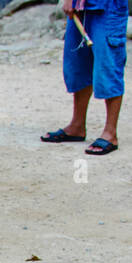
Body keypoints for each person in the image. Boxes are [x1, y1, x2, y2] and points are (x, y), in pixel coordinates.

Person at [40, 0, 126, 154]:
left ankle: (110, 133)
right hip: (81, 6)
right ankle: (77, 125)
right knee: (78, 64)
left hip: (109, 7)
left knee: (108, 65)